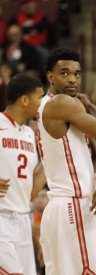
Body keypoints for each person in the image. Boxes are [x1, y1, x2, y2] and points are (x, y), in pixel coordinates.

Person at [37, 48, 96, 274]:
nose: (72, 79)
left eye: (77, 73)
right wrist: (91, 107)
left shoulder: (64, 105)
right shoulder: (62, 103)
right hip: (71, 206)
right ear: (50, 76)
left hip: (67, 208)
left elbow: (94, 151)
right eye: (64, 73)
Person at [0, 74, 45, 275]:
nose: (42, 102)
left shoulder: (29, 134)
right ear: (24, 100)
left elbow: (31, 190)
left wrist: (53, 159)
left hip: (23, 218)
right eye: (39, 97)